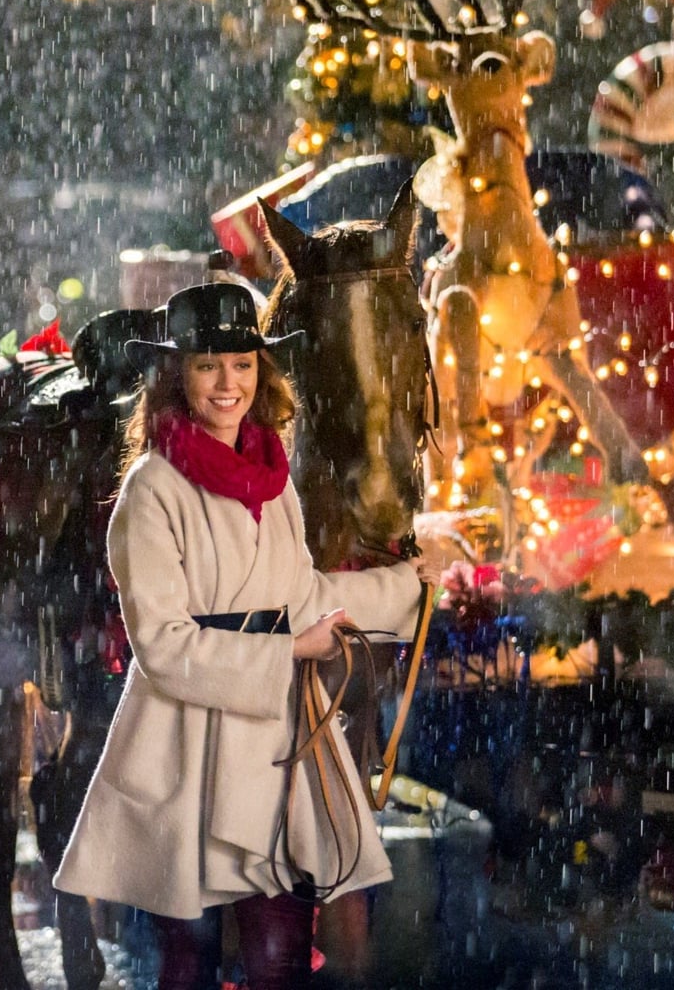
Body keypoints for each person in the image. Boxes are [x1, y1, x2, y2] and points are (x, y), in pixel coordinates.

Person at [53, 282, 432, 989]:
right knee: (189, 963)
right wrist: (289, 651)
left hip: (275, 751)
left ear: (262, 374)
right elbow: (162, 646)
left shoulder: (273, 480)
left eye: (243, 364)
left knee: (281, 961)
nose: (228, 383)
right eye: (208, 366)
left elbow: (303, 596)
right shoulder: (151, 490)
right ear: (178, 376)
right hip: (186, 753)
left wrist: (410, 585)